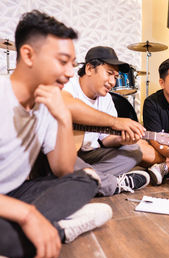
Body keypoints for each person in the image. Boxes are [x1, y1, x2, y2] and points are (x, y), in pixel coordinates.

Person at [0, 10, 113, 258]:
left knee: (86, 179)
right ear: (28, 55)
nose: (69, 73)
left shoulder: (47, 105)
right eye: (62, 61)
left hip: (12, 195)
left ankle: (0, 241)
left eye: (73, 64)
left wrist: (64, 119)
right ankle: (56, 230)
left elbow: (64, 169)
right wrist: (26, 214)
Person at [62, 46, 150, 196]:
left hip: (89, 155)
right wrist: (114, 122)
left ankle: (79, 179)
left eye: (115, 77)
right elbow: (67, 105)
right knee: (61, 159)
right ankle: (110, 184)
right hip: (64, 154)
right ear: (89, 68)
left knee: (134, 152)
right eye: (109, 74)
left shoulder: (107, 99)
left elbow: (107, 139)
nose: (112, 82)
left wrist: (123, 139)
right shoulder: (68, 85)